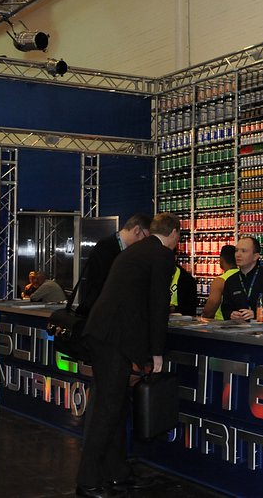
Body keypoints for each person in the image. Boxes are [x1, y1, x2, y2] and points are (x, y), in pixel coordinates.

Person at [75, 212, 180, 498]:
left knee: (115, 407)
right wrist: (156, 353)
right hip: (114, 339)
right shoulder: (161, 255)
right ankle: (88, 481)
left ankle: (116, 472)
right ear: (173, 233)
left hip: (105, 334)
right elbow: (158, 305)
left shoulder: (137, 250)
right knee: (107, 410)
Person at [76, 213, 151, 316]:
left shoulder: (127, 250)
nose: (144, 243)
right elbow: (100, 283)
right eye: (145, 237)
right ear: (136, 230)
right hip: (100, 312)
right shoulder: (105, 247)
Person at [220, 237, 263, 322]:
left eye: (243, 251)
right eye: (236, 250)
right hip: (238, 328)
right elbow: (225, 308)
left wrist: (256, 313)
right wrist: (231, 314)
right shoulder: (231, 281)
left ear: (255, 256)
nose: (238, 255)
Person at [200, 245, 237, 320]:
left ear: (221, 259)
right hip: (239, 321)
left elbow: (210, 310)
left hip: (221, 322)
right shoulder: (242, 276)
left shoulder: (220, 280)